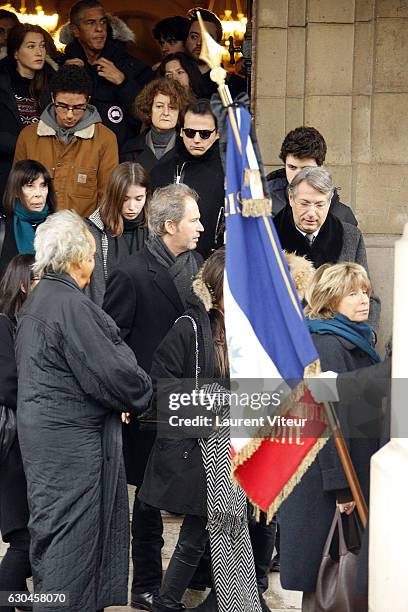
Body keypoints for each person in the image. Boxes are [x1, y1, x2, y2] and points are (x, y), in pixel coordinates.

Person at [15, 209, 152, 612]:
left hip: (51, 440)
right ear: (80, 259)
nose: (94, 265)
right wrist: (134, 393)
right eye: (92, 255)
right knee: (69, 548)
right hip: (70, 447)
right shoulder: (70, 305)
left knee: (56, 540)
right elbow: (118, 374)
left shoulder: (43, 298)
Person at [139, 248, 262, 612]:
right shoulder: (189, 327)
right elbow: (161, 387)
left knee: (221, 529)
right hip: (198, 450)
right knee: (197, 531)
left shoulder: (245, 328)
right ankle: (168, 600)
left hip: (231, 449)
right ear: (214, 287)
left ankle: (200, 598)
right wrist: (216, 401)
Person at [103, 183, 203, 611]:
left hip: (192, 404)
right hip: (148, 409)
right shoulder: (129, 273)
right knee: (147, 500)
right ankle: (145, 584)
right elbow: (114, 340)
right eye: (194, 219)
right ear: (168, 225)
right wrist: (130, 395)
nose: (201, 226)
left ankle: (197, 575)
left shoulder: (198, 265)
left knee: (197, 492)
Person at [279, 262, 381, 612]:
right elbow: (320, 422)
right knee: (328, 577)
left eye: (364, 292)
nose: (362, 300)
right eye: (351, 294)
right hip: (330, 481)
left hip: (352, 471)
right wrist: (341, 488)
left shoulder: (355, 338)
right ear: (328, 300)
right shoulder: (326, 344)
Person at [273, 166, 380, 330]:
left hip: (339, 341)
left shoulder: (351, 236)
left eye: (319, 204)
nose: (311, 212)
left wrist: (367, 337)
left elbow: (368, 297)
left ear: (329, 203)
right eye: (305, 203)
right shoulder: (268, 237)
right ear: (291, 198)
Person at [14, 64, 118, 217]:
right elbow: (17, 191)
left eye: (77, 107)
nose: (70, 115)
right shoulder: (28, 136)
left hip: (82, 234)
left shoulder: (105, 139)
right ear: (52, 98)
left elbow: (108, 199)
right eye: (63, 106)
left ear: (88, 101)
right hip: (35, 232)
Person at [59, 0, 153, 148]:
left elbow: (150, 113)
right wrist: (63, 77)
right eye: (90, 23)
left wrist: (123, 82)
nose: (99, 29)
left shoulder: (133, 67)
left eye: (102, 22)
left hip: (120, 156)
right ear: (75, 30)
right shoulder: (61, 66)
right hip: (73, 156)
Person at [0, 254, 38, 612]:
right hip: (11, 447)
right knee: (25, 539)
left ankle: (20, 603)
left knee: (28, 537)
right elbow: (9, 385)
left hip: (20, 446)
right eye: (40, 278)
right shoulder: (3, 326)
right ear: (24, 284)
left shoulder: (24, 325)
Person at [151, 98, 224, 259]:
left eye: (204, 134)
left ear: (217, 134)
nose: (197, 139)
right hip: (166, 261)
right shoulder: (163, 168)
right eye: (191, 132)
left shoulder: (231, 171)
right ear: (182, 131)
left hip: (213, 264)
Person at [0, 23, 56, 205]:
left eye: (42, 46)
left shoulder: (53, 83)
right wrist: (19, 145)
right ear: (16, 53)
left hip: (44, 171)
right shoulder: (3, 84)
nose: (39, 52)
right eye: (31, 46)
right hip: (7, 169)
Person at [85, 161, 150, 306]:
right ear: (113, 195)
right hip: (106, 313)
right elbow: (93, 290)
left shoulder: (155, 229)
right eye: (124, 199)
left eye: (139, 199)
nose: (132, 207)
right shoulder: (93, 230)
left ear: (147, 195)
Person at [267, 126, 357, 224]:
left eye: (306, 169)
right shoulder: (263, 203)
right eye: (292, 167)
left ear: (320, 167)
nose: (298, 175)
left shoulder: (342, 216)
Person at [121, 77, 192, 171]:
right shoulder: (130, 149)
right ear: (149, 110)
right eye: (159, 106)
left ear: (180, 111)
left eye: (172, 107)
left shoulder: (190, 149)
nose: (166, 113)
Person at [0, 159, 56, 278]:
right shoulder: (4, 225)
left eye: (43, 186)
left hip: (47, 295)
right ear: (15, 191)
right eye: (30, 186)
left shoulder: (56, 226)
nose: (38, 194)